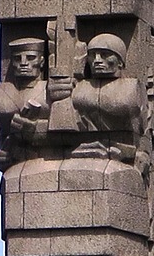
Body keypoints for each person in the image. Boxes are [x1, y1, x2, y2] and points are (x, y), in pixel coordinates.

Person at [46, 33, 144, 163]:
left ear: (120, 61)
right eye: (92, 55)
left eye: (104, 55)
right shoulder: (77, 87)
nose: (97, 60)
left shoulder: (132, 89)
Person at [0, 37, 49, 170]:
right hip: (18, 168)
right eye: (18, 59)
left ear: (41, 61)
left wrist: (35, 128)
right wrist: (2, 155)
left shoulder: (49, 91)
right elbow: (4, 137)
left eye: (30, 58)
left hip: (47, 162)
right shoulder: (6, 93)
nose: (23, 63)